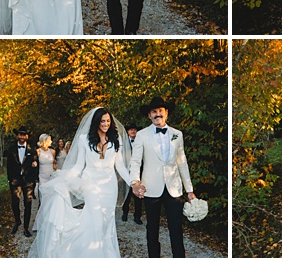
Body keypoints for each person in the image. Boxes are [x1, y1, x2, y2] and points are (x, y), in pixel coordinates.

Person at [29, 107, 135, 257]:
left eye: (108, 121)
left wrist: (133, 183)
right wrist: (64, 178)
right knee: (94, 220)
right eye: (102, 121)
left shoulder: (115, 139)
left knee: (107, 222)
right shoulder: (84, 139)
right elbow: (79, 165)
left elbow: (120, 167)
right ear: (96, 122)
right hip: (91, 185)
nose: (105, 124)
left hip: (109, 187)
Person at [129, 96, 196, 258]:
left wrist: (190, 190)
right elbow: (136, 161)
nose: (157, 114)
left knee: (176, 228)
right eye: (154, 112)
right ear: (149, 115)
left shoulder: (177, 134)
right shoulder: (142, 135)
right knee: (152, 229)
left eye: (160, 111)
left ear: (166, 113)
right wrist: (135, 182)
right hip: (151, 188)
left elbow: (182, 163)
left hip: (174, 189)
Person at [7, 127, 39, 237]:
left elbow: (35, 163)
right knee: (15, 202)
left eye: (24, 135)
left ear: (27, 136)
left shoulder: (32, 149)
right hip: (15, 181)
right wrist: (9, 179)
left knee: (28, 203)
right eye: (20, 134)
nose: (22, 136)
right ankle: (17, 221)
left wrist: (34, 177)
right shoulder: (11, 149)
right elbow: (9, 165)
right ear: (17, 135)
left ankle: (26, 227)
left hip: (28, 181)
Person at [121, 124, 145, 224]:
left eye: (134, 129)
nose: (133, 131)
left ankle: (137, 216)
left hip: (139, 172)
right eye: (131, 129)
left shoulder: (141, 142)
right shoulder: (123, 144)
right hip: (127, 171)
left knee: (138, 195)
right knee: (126, 194)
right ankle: (125, 213)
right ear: (127, 132)